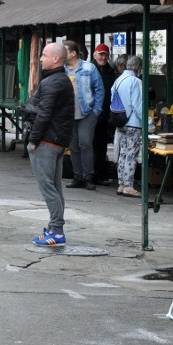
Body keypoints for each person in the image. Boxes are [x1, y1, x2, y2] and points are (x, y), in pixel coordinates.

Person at [25, 42, 74, 246]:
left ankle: (56, 230)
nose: (41, 58)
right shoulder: (60, 80)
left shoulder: (52, 82)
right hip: (57, 140)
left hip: (47, 140)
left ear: (56, 59)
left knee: (48, 188)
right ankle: (55, 227)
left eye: (44, 55)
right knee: (54, 187)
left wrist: (33, 140)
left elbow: (44, 114)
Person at [62, 40, 104, 190]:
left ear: (73, 53)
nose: (62, 54)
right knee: (73, 146)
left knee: (85, 144)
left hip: (87, 113)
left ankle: (88, 177)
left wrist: (96, 111)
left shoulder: (89, 68)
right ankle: (77, 176)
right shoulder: (62, 70)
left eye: (65, 51)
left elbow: (99, 89)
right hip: (69, 114)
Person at [113, 55, 144, 197]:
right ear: (138, 68)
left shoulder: (118, 81)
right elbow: (138, 106)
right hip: (133, 124)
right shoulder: (136, 81)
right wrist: (148, 123)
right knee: (131, 155)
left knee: (123, 154)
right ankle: (129, 186)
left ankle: (121, 184)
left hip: (120, 122)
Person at [91, 43, 116, 186]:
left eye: (105, 54)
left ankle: (98, 175)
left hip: (105, 114)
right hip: (90, 113)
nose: (103, 57)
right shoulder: (89, 68)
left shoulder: (110, 71)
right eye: (101, 54)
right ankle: (88, 175)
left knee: (101, 146)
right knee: (89, 145)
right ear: (95, 55)